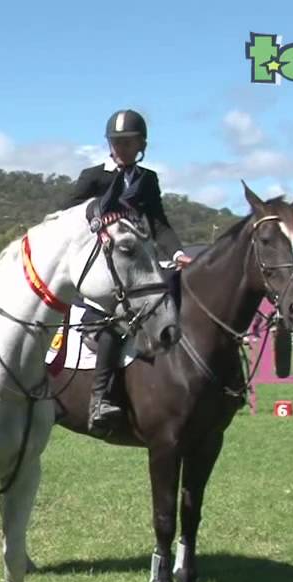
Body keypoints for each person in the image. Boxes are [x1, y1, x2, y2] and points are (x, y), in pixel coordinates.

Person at [63, 109, 189, 435]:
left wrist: (177, 252)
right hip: (102, 269)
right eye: (116, 142)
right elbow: (66, 217)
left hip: (137, 265)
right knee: (115, 323)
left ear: (141, 144)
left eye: (128, 142)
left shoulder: (147, 179)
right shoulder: (93, 177)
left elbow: (158, 223)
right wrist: (93, 221)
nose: (121, 147)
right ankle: (99, 399)